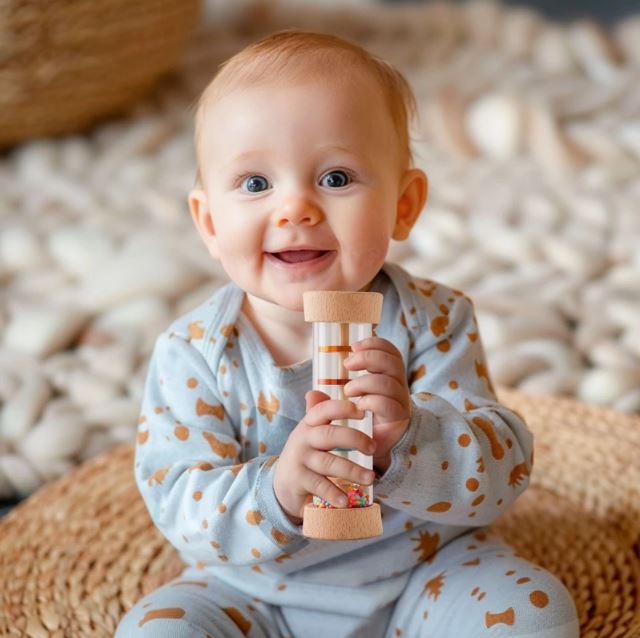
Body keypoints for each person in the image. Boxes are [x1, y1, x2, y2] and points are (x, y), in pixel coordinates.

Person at [116, 30, 579, 638]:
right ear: (208, 222)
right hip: (251, 590)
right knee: (156, 632)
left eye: (335, 177)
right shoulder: (196, 352)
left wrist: (408, 436)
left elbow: (502, 473)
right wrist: (278, 487)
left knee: (536, 612)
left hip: (426, 572)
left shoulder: (433, 320)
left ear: (404, 205)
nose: (295, 209)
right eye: (256, 184)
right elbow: (178, 502)